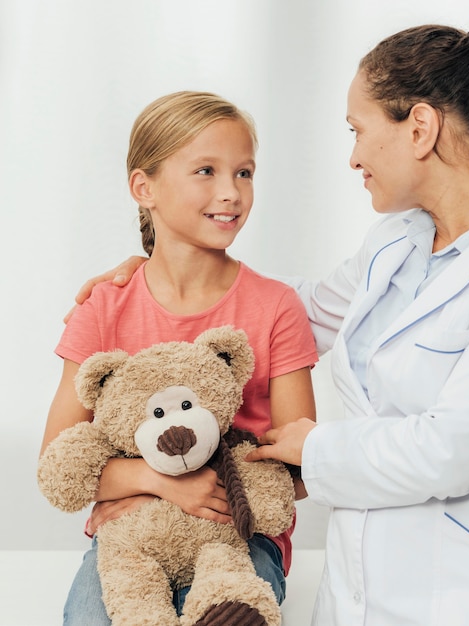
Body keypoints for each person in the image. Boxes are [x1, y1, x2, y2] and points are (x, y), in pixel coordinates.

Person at [73, 15, 469, 626]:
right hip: (365, 589)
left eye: (359, 131)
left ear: (419, 128)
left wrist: (311, 449)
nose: (353, 157)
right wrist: (169, 267)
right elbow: (294, 311)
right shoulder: (398, 240)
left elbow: (453, 450)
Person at [40, 91, 318, 625]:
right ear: (144, 187)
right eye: (206, 171)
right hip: (130, 534)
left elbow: (302, 465)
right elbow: (60, 463)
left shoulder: (276, 306)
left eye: (244, 173)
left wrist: (209, 485)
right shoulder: (104, 306)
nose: (231, 193)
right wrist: (160, 481)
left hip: (239, 536)